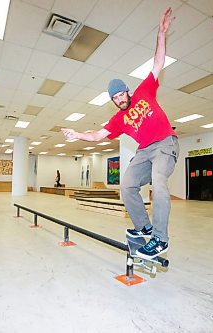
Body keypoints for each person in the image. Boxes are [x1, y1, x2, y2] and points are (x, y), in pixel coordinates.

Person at [62, 7, 178, 260]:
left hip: (165, 145)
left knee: (158, 182)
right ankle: (143, 227)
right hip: (144, 151)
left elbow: (158, 63)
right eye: (115, 98)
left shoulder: (145, 91)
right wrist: (77, 134)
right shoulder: (119, 119)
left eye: (121, 94)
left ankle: (159, 238)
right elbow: (97, 135)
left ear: (127, 91)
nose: (119, 100)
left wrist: (161, 34)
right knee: (126, 185)